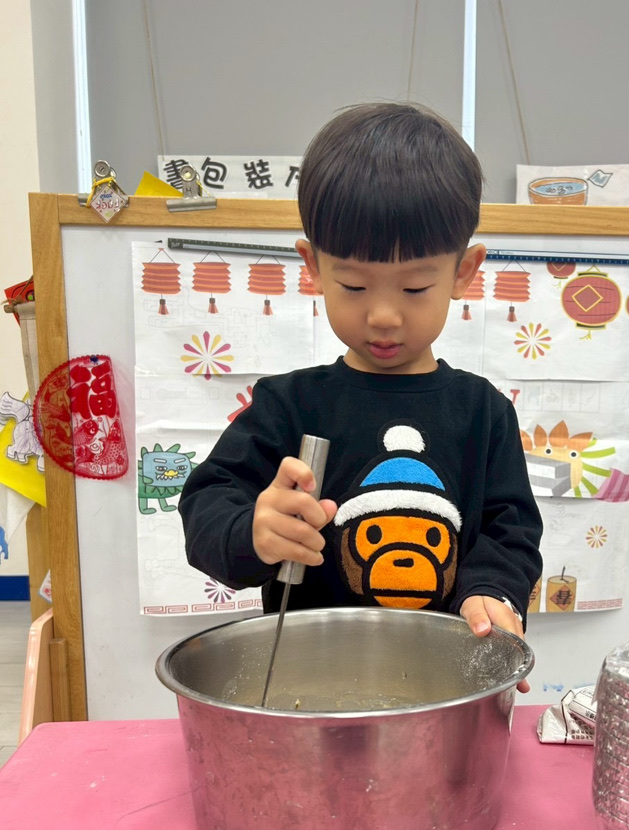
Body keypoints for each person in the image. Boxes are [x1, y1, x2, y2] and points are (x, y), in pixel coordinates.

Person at [179, 102, 542, 661]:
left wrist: (492, 591)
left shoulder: (484, 412)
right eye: (353, 285)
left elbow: (511, 532)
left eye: (415, 289)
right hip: (306, 673)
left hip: (444, 673)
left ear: (463, 272)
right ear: (313, 267)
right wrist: (253, 529)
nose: (383, 316)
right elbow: (207, 504)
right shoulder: (288, 404)